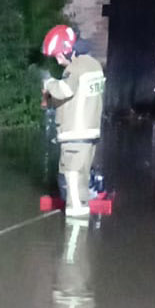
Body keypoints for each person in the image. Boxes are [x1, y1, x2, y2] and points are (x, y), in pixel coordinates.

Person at [41, 24, 104, 219]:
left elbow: (65, 91)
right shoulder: (93, 65)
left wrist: (48, 82)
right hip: (89, 133)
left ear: (70, 50)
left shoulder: (75, 68)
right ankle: (83, 212)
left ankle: (75, 237)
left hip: (75, 136)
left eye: (59, 55)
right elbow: (77, 97)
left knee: (72, 182)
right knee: (81, 180)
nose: (59, 60)